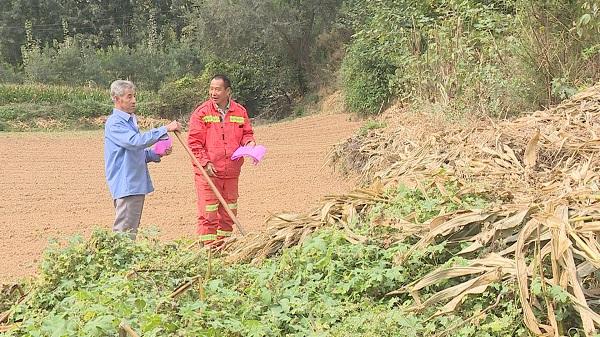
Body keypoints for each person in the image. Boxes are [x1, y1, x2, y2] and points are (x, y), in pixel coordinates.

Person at [104, 79, 181, 239]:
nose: (134, 101)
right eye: (129, 96)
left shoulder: (129, 121)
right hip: (127, 184)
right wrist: (164, 129)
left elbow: (136, 152)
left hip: (133, 184)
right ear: (117, 99)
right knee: (124, 234)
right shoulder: (115, 123)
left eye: (134, 96)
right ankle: (119, 263)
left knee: (130, 230)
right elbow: (135, 142)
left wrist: (157, 153)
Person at [188, 74, 255, 247]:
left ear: (228, 91)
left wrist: (250, 143)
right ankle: (207, 251)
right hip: (208, 173)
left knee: (229, 212)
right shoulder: (201, 113)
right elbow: (194, 143)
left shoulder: (240, 112)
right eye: (211, 89)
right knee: (208, 213)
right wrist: (205, 163)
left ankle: (223, 247)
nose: (213, 93)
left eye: (217, 89)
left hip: (231, 172)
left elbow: (247, 133)